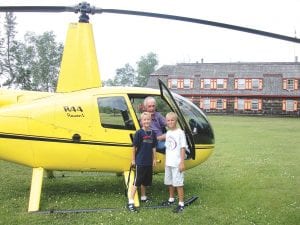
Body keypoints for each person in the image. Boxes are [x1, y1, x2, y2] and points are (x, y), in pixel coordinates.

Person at [128, 112, 157, 212]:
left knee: (145, 181)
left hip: (148, 162)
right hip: (140, 161)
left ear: (151, 120)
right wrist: (133, 160)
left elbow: (153, 147)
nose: (146, 121)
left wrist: (154, 159)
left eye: (148, 119)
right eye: (144, 120)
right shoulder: (139, 133)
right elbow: (134, 147)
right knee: (137, 181)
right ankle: (131, 201)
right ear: (141, 121)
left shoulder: (153, 133)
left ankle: (143, 197)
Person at [162, 112, 187, 213]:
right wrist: (166, 161)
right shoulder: (168, 133)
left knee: (178, 183)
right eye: (168, 120)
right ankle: (171, 199)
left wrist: (182, 162)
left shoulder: (180, 132)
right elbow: (168, 148)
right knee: (170, 182)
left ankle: (181, 203)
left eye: (172, 120)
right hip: (168, 162)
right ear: (166, 122)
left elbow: (182, 147)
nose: (170, 122)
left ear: (176, 121)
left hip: (177, 163)